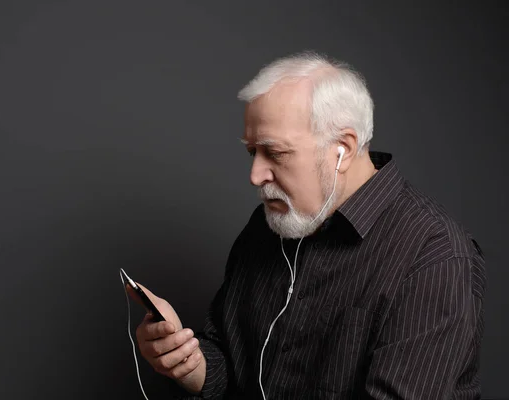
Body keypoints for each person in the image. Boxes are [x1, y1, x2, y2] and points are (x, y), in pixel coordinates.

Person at [129, 51, 486, 399]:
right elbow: (231, 363)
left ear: (342, 149)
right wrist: (190, 366)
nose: (255, 175)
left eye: (277, 153)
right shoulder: (267, 226)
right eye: (253, 152)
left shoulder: (434, 255)